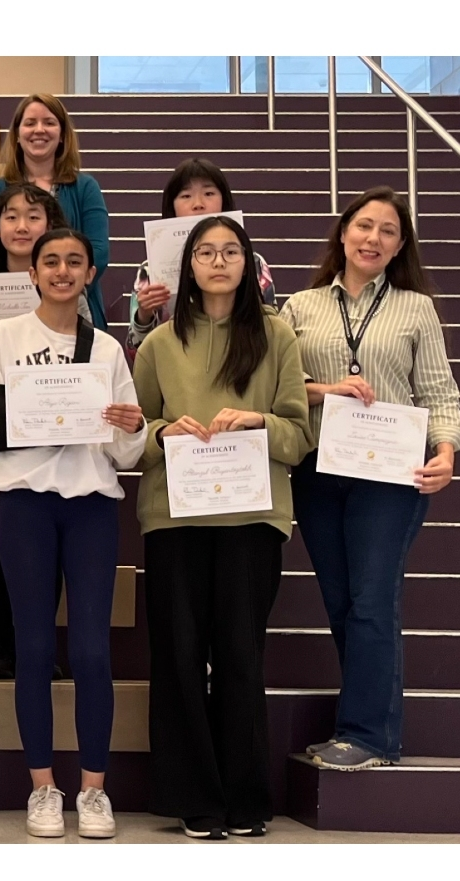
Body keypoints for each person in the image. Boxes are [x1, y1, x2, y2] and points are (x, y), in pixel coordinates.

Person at [133, 216, 314, 839]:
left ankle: (244, 799)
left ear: (247, 262)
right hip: (174, 519)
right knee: (180, 657)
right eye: (205, 252)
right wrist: (164, 432)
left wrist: (260, 421)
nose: (217, 261)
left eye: (229, 251)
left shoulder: (276, 334)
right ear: (188, 266)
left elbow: (299, 432)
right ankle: (194, 798)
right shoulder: (158, 342)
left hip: (251, 518)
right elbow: (133, 431)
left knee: (240, 656)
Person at [0, 228, 146, 839]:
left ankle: (94, 791)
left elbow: (125, 451)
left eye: (75, 261)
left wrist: (130, 425)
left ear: (92, 273)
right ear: (34, 274)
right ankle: (43, 787)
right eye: (51, 262)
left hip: (92, 504)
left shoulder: (108, 350)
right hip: (24, 503)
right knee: (35, 649)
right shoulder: (2, 337)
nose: (63, 271)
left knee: (93, 650)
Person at [280, 187, 460, 772]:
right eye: (363, 225)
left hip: (390, 473)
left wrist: (447, 451)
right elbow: (274, 387)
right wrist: (326, 389)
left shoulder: (415, 308)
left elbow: (437, 391)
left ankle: (369, 735)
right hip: (318, 468)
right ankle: (365, 729)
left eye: (387, 230)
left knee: (372, 600)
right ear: (342, 233)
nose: (372, 238)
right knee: (341, 600)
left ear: (400, 245)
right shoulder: (301, 306)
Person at [0, 184, 69, 680]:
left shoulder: (65, 283)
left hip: (48, 436)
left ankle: (39, 647)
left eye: (33, 215)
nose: (21, 225)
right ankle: (7, 647)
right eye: (11, 216)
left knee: (45, 552)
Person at [0, 94, 110, 331]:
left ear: (62, 135)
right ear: (17, 135)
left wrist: (59, 287)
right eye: (30, 123)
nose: (39, 130)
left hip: (72, 306)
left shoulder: (85, 187)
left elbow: (99, 252)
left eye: (49, 123)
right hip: (6, 311)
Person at [126, 158, 276, 357]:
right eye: (186, 195)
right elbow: (137, 354)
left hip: (240, 363)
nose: (198, 204)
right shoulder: (150, 270)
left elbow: (273, 334)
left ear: (225, 201)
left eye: (209, 193)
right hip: (176, 370)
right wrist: (144, 316)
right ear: (172, 206)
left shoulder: (252, 263)